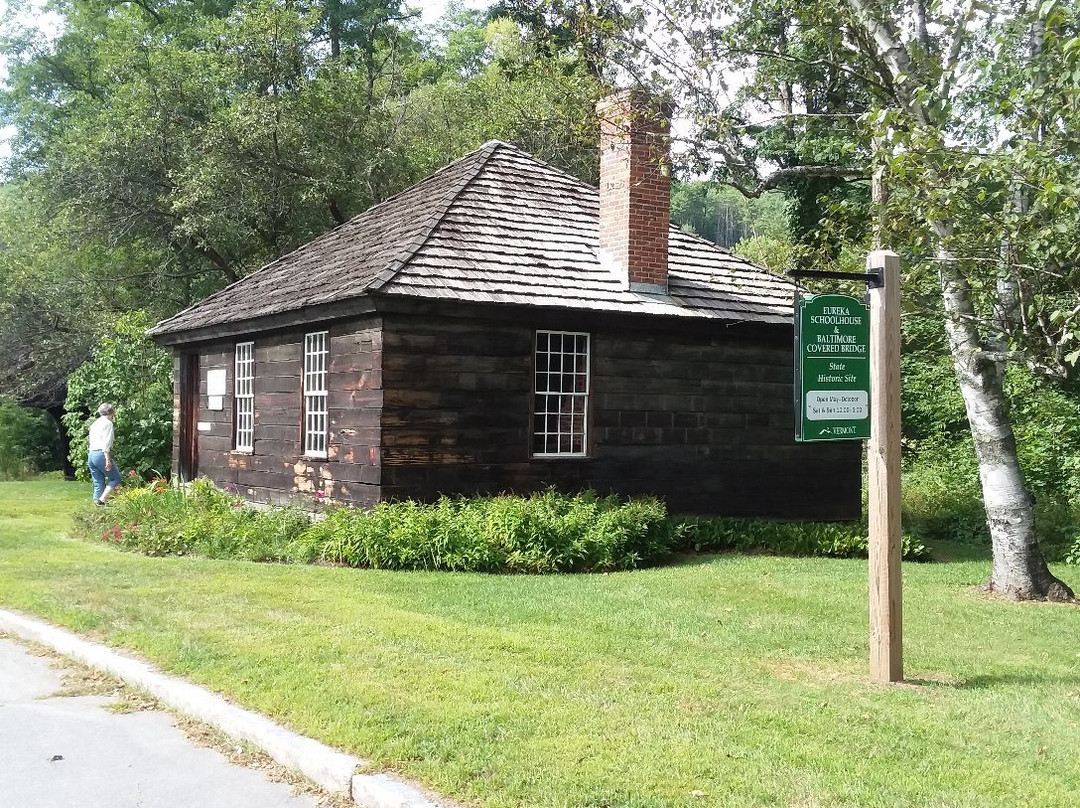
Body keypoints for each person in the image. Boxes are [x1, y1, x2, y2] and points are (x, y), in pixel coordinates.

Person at [88, 402, 122, 506]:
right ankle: (102, 500)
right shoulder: (108, 423)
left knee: (98, 481)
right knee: (116, 478)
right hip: (100, 454)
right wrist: (107, 459)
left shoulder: (95, 423)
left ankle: (96, 507)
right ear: (111, 412)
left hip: (91, 454)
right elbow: (106, 443)